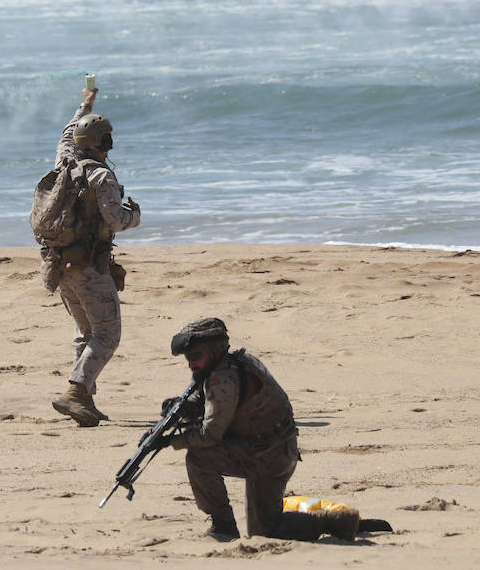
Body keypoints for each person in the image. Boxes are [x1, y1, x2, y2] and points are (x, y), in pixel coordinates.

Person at [167, 318, 360, 542]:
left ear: (213, 351)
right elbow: (207, 400)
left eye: (195, 356)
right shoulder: (231, 365)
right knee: (265, 529)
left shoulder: (224, 379)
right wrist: (185, 406)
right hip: (267, 449)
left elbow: (210, 434)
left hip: (268, 456)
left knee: (200, 458)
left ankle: (224, 527)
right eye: (188, 358)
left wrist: (173, 441)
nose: (191, 364)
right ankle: (336, 522)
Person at [43, 86, 141, 427]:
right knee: (107, 334)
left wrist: (83, 106)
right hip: (89, 266)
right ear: (105, 144)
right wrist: (135, 216)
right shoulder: (101, 175)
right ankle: (77, 391)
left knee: (85, 333)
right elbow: (115, 219)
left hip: (60, 265)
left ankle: (85, 400)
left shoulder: (64, 162)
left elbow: (66, 135)